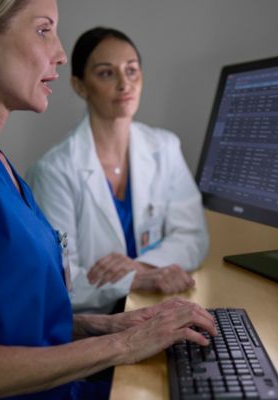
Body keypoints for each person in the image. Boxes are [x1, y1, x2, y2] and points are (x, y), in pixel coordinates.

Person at [0, 1, 217, 399]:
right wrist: (123, 347)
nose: (61, 52)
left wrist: (114, 326)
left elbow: (12, 320)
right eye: (43, 30)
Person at [26, 27, 210, 315]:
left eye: (132, 70)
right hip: (92, 327)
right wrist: (132, 280)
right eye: (106, 73)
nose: (125, 84)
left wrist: (143, 266)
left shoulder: (165, 147)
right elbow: (60, 279)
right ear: (80, 86)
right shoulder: (53, 171)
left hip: (156, 307)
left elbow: (193, 238)